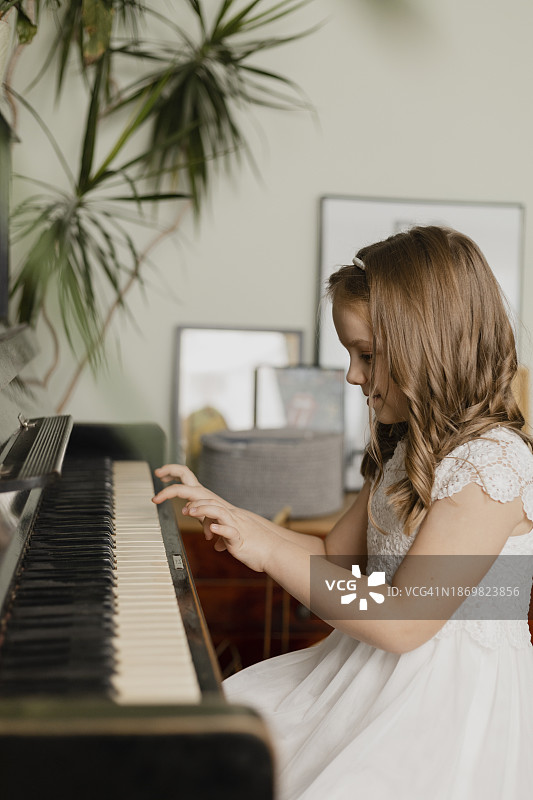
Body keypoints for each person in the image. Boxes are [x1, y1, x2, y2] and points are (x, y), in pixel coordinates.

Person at [152, 225, 533, 800]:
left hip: (440, 711)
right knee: (207, 739)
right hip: (360, 675)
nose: (353, 375)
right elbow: (337, 556)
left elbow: (404, 620)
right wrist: (237, 518)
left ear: (430, 344)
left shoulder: (492, 464)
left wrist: (272, 551)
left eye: (367, 355)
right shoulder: (408, 443)